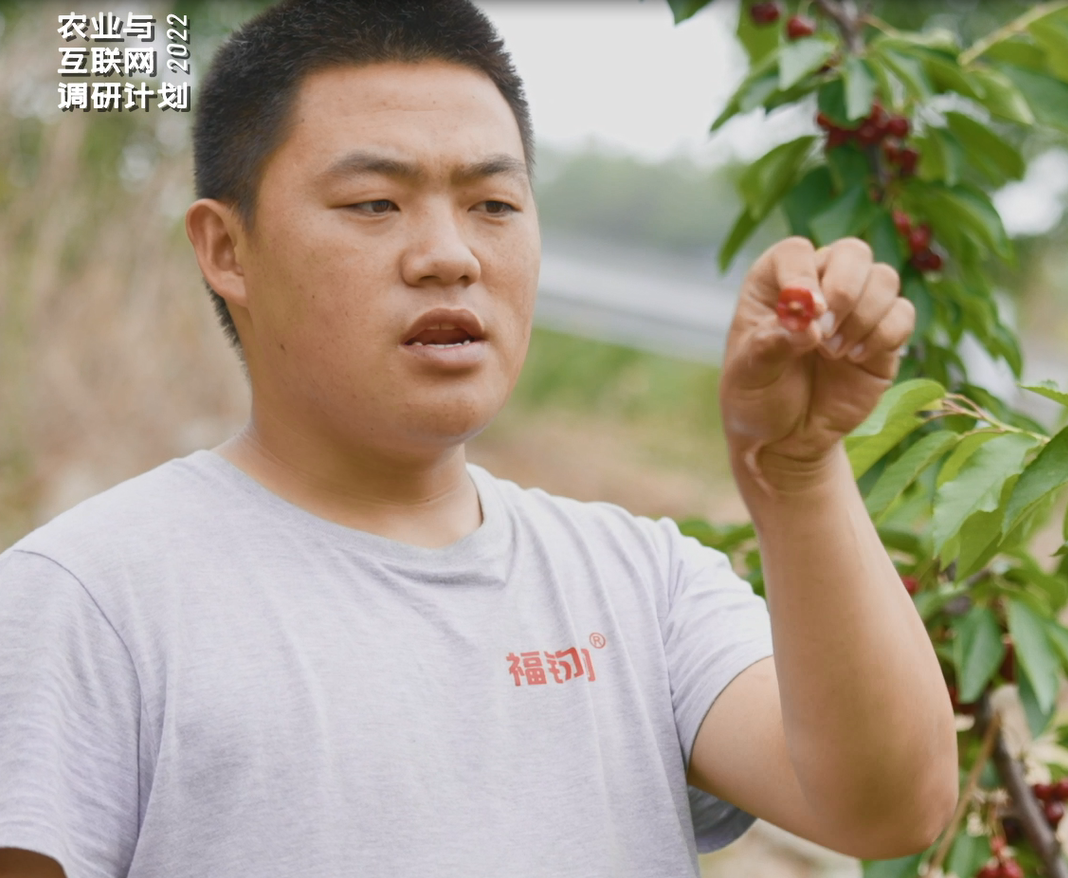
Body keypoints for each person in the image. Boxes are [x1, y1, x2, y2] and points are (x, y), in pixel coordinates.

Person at [0, 1, 958, 875]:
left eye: (493, 205)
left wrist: (794, 471)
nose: (450, 255)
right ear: (226, 249)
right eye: (374, 203)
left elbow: (888, 808)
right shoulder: (87, 599)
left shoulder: (641, 583)